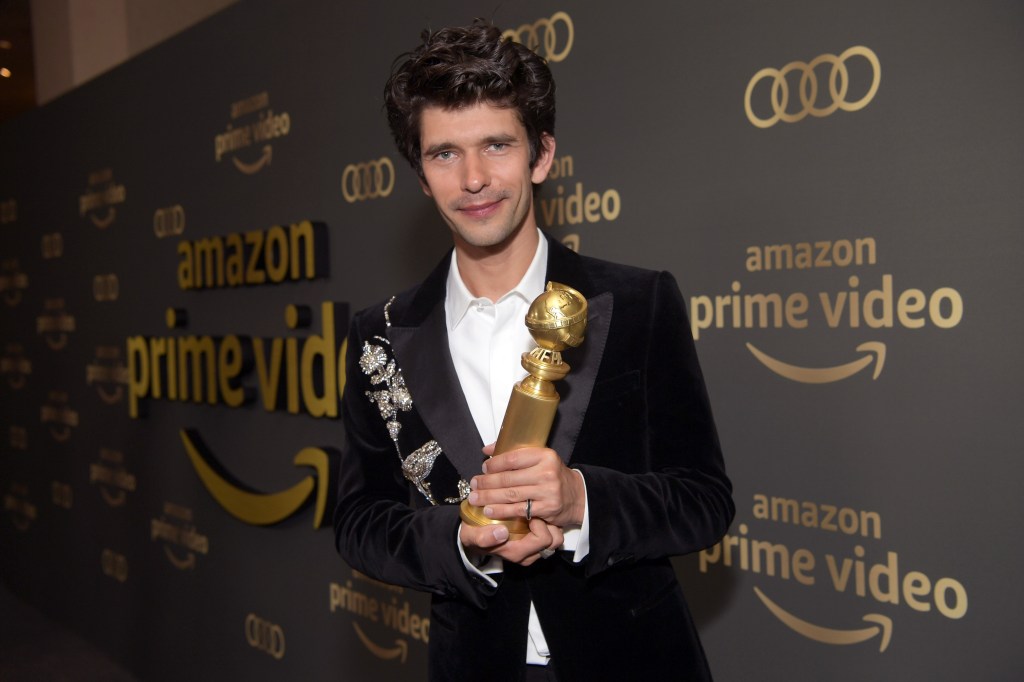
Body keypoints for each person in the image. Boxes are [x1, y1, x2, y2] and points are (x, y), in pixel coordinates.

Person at [334, 19, 734, 681]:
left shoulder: (639, 303)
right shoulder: (380, 334)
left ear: (540, 155)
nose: (473, 178)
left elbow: (703, 501)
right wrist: (459, 541)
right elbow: (359, 521)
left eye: (497, 144)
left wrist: (581, 502)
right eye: (444, 154)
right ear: (420, 174)